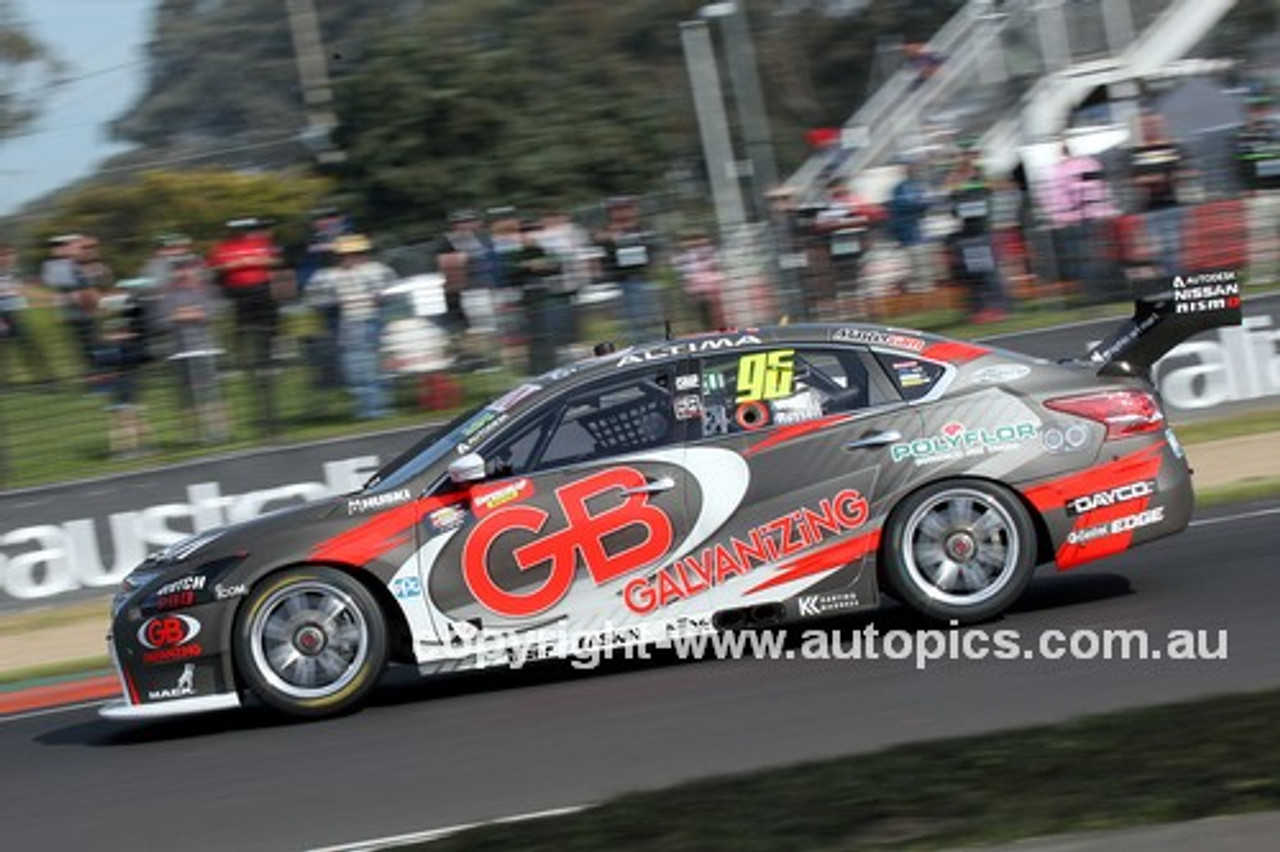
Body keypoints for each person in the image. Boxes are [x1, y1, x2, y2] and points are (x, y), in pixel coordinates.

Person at [306, 234, 396, 419]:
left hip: (376, 320)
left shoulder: (377, 269)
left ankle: (377, 409)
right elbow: (312, 298)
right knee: (356, 367)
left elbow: (394, 289)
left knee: (376, 366)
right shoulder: (328, 275)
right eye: (345, 254)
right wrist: (332, 300)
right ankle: (369, 409)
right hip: (349, 324)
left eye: (356, 253)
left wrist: (382, 297)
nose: (351, 257)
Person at [207, 217, 282, 432]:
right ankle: (244, 357)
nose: (241, 233)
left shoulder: (259, 243)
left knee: (266, 330)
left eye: (244, 230)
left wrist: (244, 263)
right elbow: (218, 267)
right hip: (239, 295)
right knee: (245, 332)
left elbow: (274, 261)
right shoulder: (223, 247)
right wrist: (243, 263)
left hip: (261, 291)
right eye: (237, 230)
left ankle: (268, 354)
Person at [160, 249, 229, 443]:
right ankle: (191, 436)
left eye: (186, 267)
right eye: (178, 269)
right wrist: (192, 313)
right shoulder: (168, 294)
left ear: (194, 269)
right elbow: (162, 321)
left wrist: (182, 314)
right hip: (179, 350)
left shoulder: (206, 290)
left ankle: (219, 431)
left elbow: (212, 314)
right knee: (186, 395)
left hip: (205, 347)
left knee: (212, 391)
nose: (182, 272)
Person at [1043, 141, 1120, 302]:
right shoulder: (1089, 163)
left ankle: (1093, 294)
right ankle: (1105, 291)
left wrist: (1060, 219)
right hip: (1095, 216)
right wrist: (1108, 210)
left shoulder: (1058, 171)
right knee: (1098, 255)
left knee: (1083, 259)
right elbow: (1100, 188)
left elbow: (1057, 199)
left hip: (1075, 220)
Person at [946, 150, 1008, 322]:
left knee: (989, 272)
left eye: (970, 157)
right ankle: (981, 309)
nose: (967, 160)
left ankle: (997, 308)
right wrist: (956, 190)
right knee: (976, 272)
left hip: (983, 231)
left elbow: (991, 191)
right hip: (969, 234)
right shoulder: (957, 181)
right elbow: (954, 208)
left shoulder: (982, 178)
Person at [1131, 110, 1188, 280]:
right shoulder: (1139, 151)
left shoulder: (1171, 147)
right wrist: (1158, 177)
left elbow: (1185, 172)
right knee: (1157, 249)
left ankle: (1176, 282)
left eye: (1154, 124)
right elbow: (1136, 179)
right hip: (1150, 207)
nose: (1151, 128)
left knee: (1174, 247)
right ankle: (1166, 282)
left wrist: (1164, 177)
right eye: (1147, 125)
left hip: (1172, 204)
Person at [596, 196, 660, 342]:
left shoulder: (642, 228)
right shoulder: (605, 231)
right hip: (618, 282)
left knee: (646, 319)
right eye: (617, 210)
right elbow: (599, 244)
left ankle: (649, 345)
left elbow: (650, 248)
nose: (622, 213)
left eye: (626, 208)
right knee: (630, 323)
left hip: (641, 279)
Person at [0, 243, 50, 384]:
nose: (9, 257)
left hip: (16, 315)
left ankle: (44, 379)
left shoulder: (12, 271)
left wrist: (44, 300)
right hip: (4, 316)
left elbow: (19, 290)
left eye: (11, 254)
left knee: (30, 347)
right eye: (4, 255)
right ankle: (4, 385)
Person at [673, 231, 726, 331]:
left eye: (699, 238)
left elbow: (717, 265)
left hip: (714, 287)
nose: (695, 242)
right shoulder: (682, 256)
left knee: (718, 313)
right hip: (697, 290)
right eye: (690, 240)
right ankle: (709, 330)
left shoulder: (711, 251)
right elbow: (683, 272)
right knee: (703, 313)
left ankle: (719, 329)